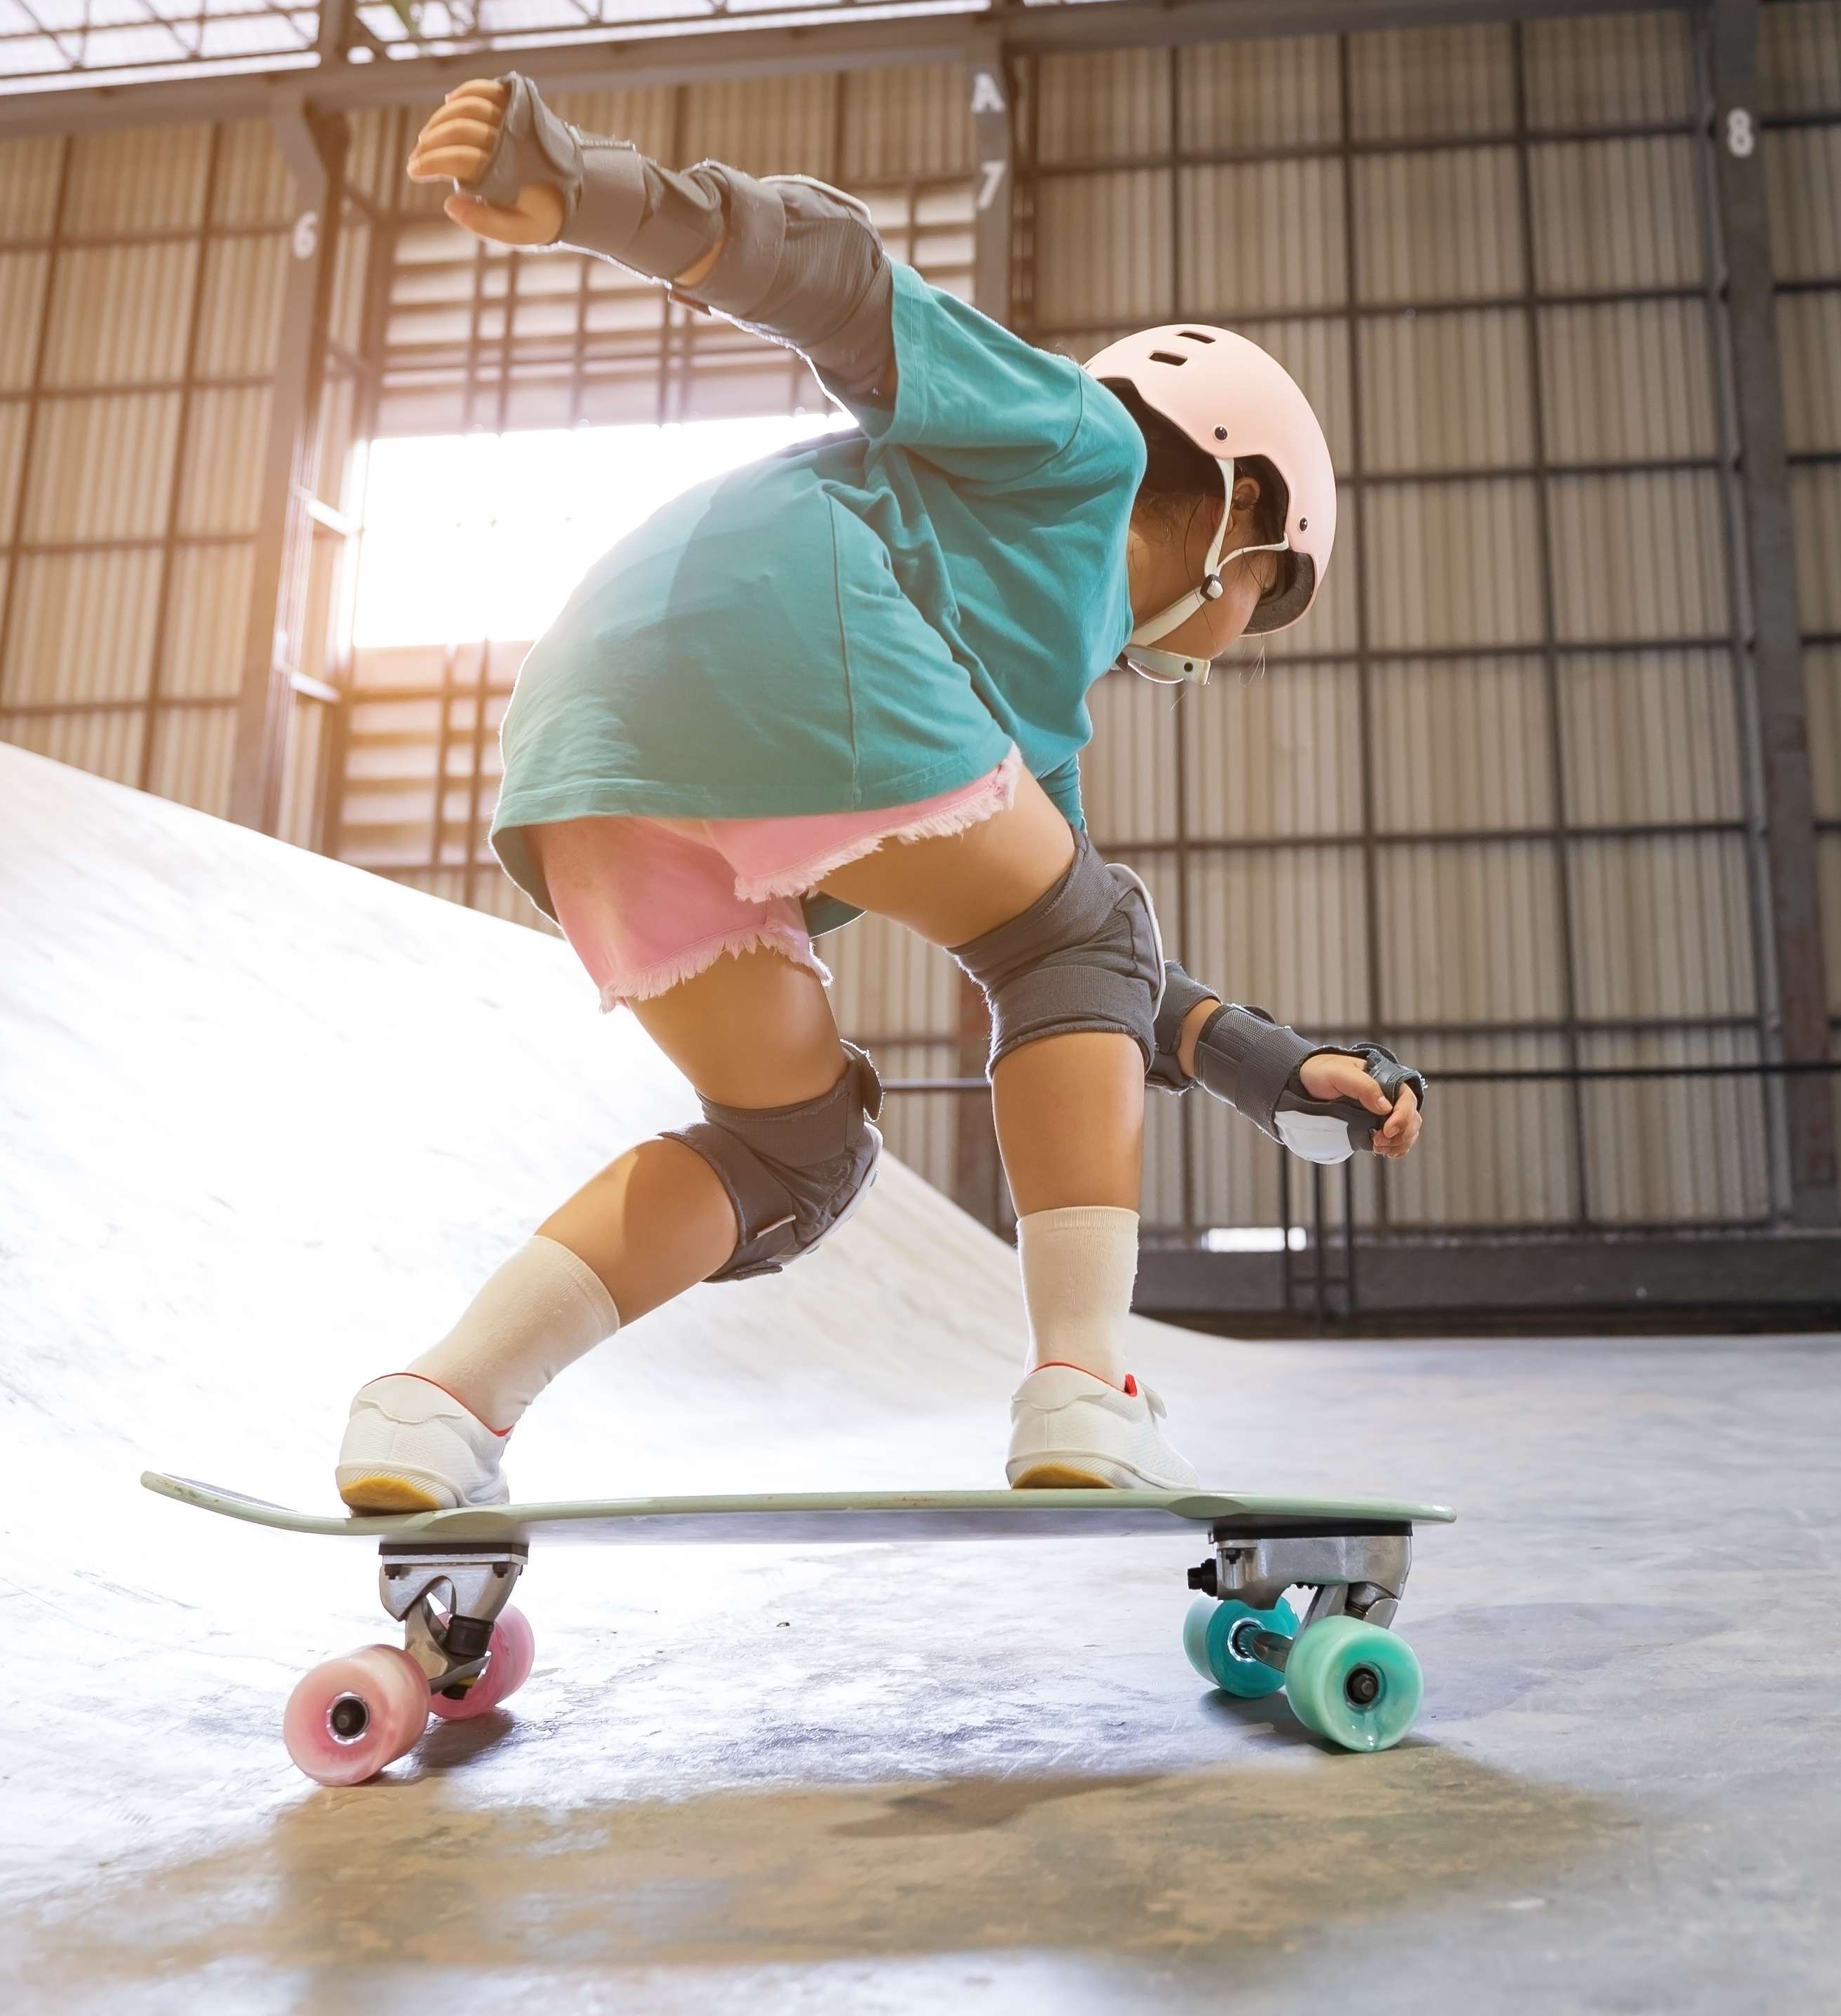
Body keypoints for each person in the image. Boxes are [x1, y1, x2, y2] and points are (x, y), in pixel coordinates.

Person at [335, 74, 1428, 1511]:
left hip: (587, 739)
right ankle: (1087, 1385)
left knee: (794, 1146)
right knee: (1070, 930)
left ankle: (441, 1401)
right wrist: (592, 193)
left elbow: (1100, 980)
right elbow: (846, 291)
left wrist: (1268, 1062)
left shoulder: (1022, 735)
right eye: (1268, 603)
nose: (1236, 644)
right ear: (1251, 518)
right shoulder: (1076, 442)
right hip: (782, 626)